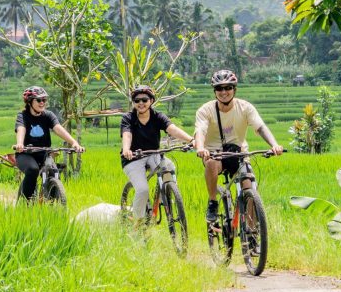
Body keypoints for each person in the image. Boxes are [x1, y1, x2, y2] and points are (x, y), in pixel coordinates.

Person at [193, 70, 285, 224]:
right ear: (214, 91)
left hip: (239, 154)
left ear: (234, 89)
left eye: (228, 87)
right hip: (215, 154)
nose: (224, 92)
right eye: (219, 88)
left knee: (250, 189)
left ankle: (252, 234)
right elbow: (200, 130)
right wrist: (201, 148)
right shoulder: (205, 110)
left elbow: (260, 127)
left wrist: (274, 145)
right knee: (210, 164)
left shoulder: (245, 107)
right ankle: (212, 202)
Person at [120, 85, 193, 226]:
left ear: (151, 101)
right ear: (133, 103)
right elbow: (127, 134)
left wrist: (191, 140)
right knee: (142, 190)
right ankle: (137, 222)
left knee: (169, 166)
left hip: (154, 154)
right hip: (133, 157)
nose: (141, 103)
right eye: (137, 100)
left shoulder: (158, 116)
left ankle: (165, 195)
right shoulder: (128, 118)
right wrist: (126, 149)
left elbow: (172, 129)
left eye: (144, 99)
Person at [14, 86, 84, 200]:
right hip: (26, 154)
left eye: (44, 100)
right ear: (30, 102)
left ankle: (53, 203)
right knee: (33, 170)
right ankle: (25, 203)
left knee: (53, 170)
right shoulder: (23, 116)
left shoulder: (48, 115)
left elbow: (58, 128)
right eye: (39, 100)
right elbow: (21, 128)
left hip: (44, 153)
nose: (42, 103)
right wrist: (20, 143)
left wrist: (74, 143)